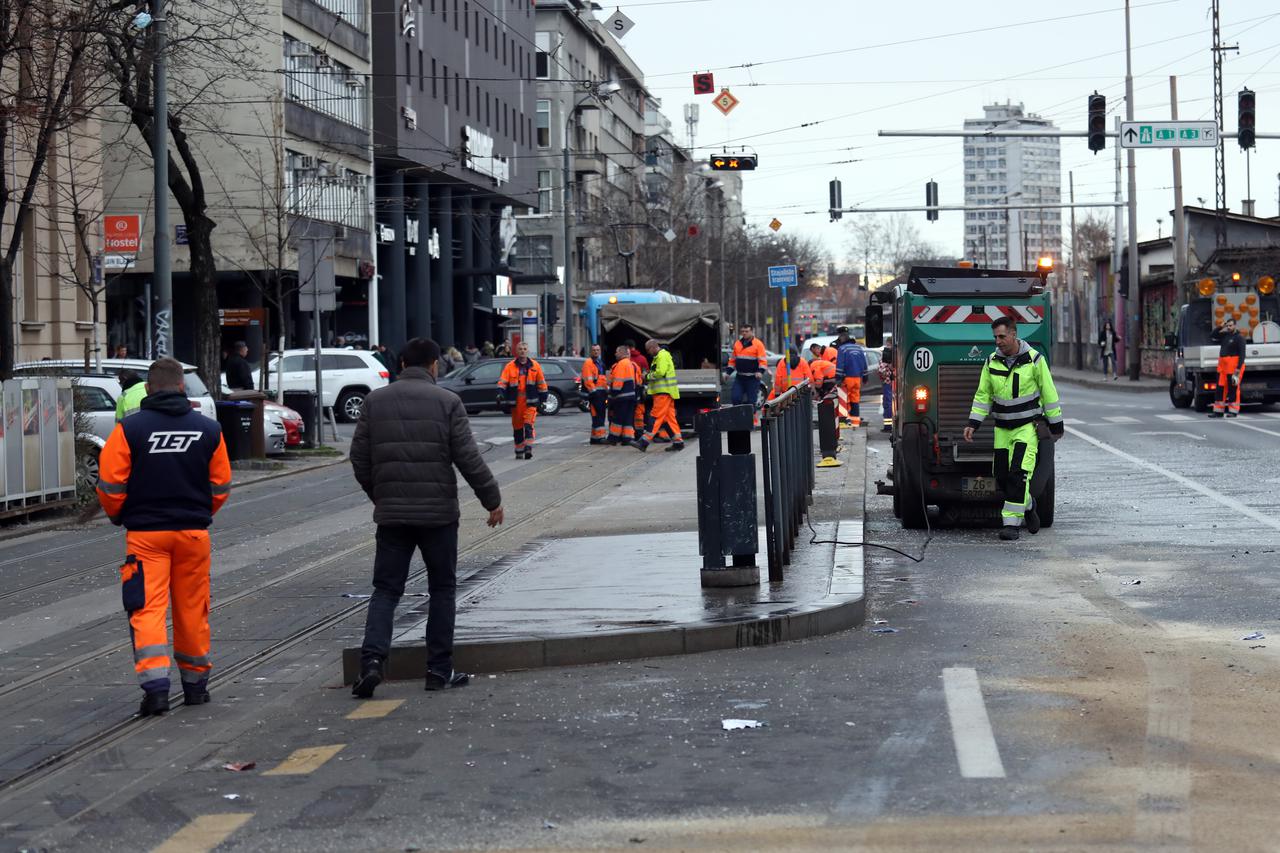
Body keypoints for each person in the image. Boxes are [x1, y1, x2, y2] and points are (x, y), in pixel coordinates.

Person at [349, 338, 503, 698]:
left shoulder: (375, 401)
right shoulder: (448, 402)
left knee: (386, 590)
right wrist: (491, 500)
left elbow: (359, 459)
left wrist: (381, 494)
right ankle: (438, 670)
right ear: (435, 365)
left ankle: (371, 663)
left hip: (392, 516)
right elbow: (469, 459)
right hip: (438, 516)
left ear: (401, 363)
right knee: (442, 590)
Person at [95, 358, 233, 717]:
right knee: (192, 608)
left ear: (149, 389)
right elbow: (221, 485)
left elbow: (110, 485)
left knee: (148, 609)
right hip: (193, 535)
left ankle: (156, 689)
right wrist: (200, 514)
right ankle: (195, 685)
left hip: (145, 537)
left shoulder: (130, 429)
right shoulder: (208, 429)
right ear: (182, 388)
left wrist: (120, 516)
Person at [963, 316, 1063, 542]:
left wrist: (1056, 424)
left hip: (1026, 428)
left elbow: (1049, 393)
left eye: (1001, 336)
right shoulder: (991, 362)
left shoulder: (1035, 360)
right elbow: (983, 396)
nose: (997, 341)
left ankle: (1011, 525)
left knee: (1019, 475)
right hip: (1002, 429)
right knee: (1002, 477)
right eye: (995, 337)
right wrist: (973, 423)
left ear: (1014, 334)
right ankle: (1028, 504)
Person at [497, 342, 547, 460]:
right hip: (516, 402)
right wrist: (500, 393)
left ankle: (528, 448)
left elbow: (541, 382)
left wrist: (544, 397)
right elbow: (503, 381)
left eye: (524, 349)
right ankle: (519, 450)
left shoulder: (535, 366)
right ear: (516, 351)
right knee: (518, 427)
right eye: (520, 349)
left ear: (527, 351)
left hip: (530, 401)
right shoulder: (510, 366)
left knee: (528, 425)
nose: (522, 351)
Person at [635, 339, 683, 452]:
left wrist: (646, 376)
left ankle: (644, 441)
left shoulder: (662, 356)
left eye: (648, 350)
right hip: (666, 392)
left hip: (663, 392)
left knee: (655, 416)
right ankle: (678, 442)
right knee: (669, 419)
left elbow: (660, 373)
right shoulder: (661, 356)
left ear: (653, 347)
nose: (647, 352)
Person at [1209, 316, 1246, 418]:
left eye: (1230, 325)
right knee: (1220, 389)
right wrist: (1221, 326)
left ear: (1235, 325)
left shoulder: (1239, 338)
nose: (1229, 327)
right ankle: (1218, 411)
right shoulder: (1225, 335)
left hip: (1233, 367)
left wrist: (1238, 369)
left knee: (1233, 389)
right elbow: (1212, 335)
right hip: (1222, 367)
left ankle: (1233, 411)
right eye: (1227, 325)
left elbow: (1242, 355)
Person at [725, 324, 767, 407]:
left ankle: (750, 418)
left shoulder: (758, 344)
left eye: (747, 331)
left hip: (752, 379)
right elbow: (733, 361)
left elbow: (763, 361)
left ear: (752, 332)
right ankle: (738, 418)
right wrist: (727, 373)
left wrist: (760, 372)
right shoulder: (737, 344)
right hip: (740, 377)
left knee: (751, 402)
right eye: (743, 331)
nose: (744, 333)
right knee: (735, 398)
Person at [833, 326, 868, 427]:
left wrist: (838, 378)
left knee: (845, 400)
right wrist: (865, 376)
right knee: (855, 399)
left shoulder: (842, 349)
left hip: (846, 378)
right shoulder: (859, 348)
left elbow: (840, 365)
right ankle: (855, 422)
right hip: (857, 378)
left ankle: (845, 422)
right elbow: (864, 364)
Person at [607, 345, 641, 445]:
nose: (615, 354)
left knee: (617, 419)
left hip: (621, 396)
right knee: (627, 419)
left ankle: (613, 438)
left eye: (617, 352)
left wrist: (612, 394)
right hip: (630, 396)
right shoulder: (630, 364)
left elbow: (618, 382)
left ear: (622, 353)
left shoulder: (621, 364)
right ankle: (627, 439)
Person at [581, 344, 608, 444]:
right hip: (595, 394)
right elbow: (588, 380)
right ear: (590, 351)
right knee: (598, 416)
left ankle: (594, 437)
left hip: (601, 393)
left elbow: (602, 379)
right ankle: (600, 437)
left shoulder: (599, 363)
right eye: (594, 350)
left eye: (597, 350)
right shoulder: (589, 363)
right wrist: (594, 393)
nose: (596, 352)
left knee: (598, 415)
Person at [878, 345, 896, 433]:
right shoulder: (898, 354)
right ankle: (892, 425)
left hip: (888, 383)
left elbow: (881, 371)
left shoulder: (886, 356)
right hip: (895, 382)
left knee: (887, 404)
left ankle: (888, 426)